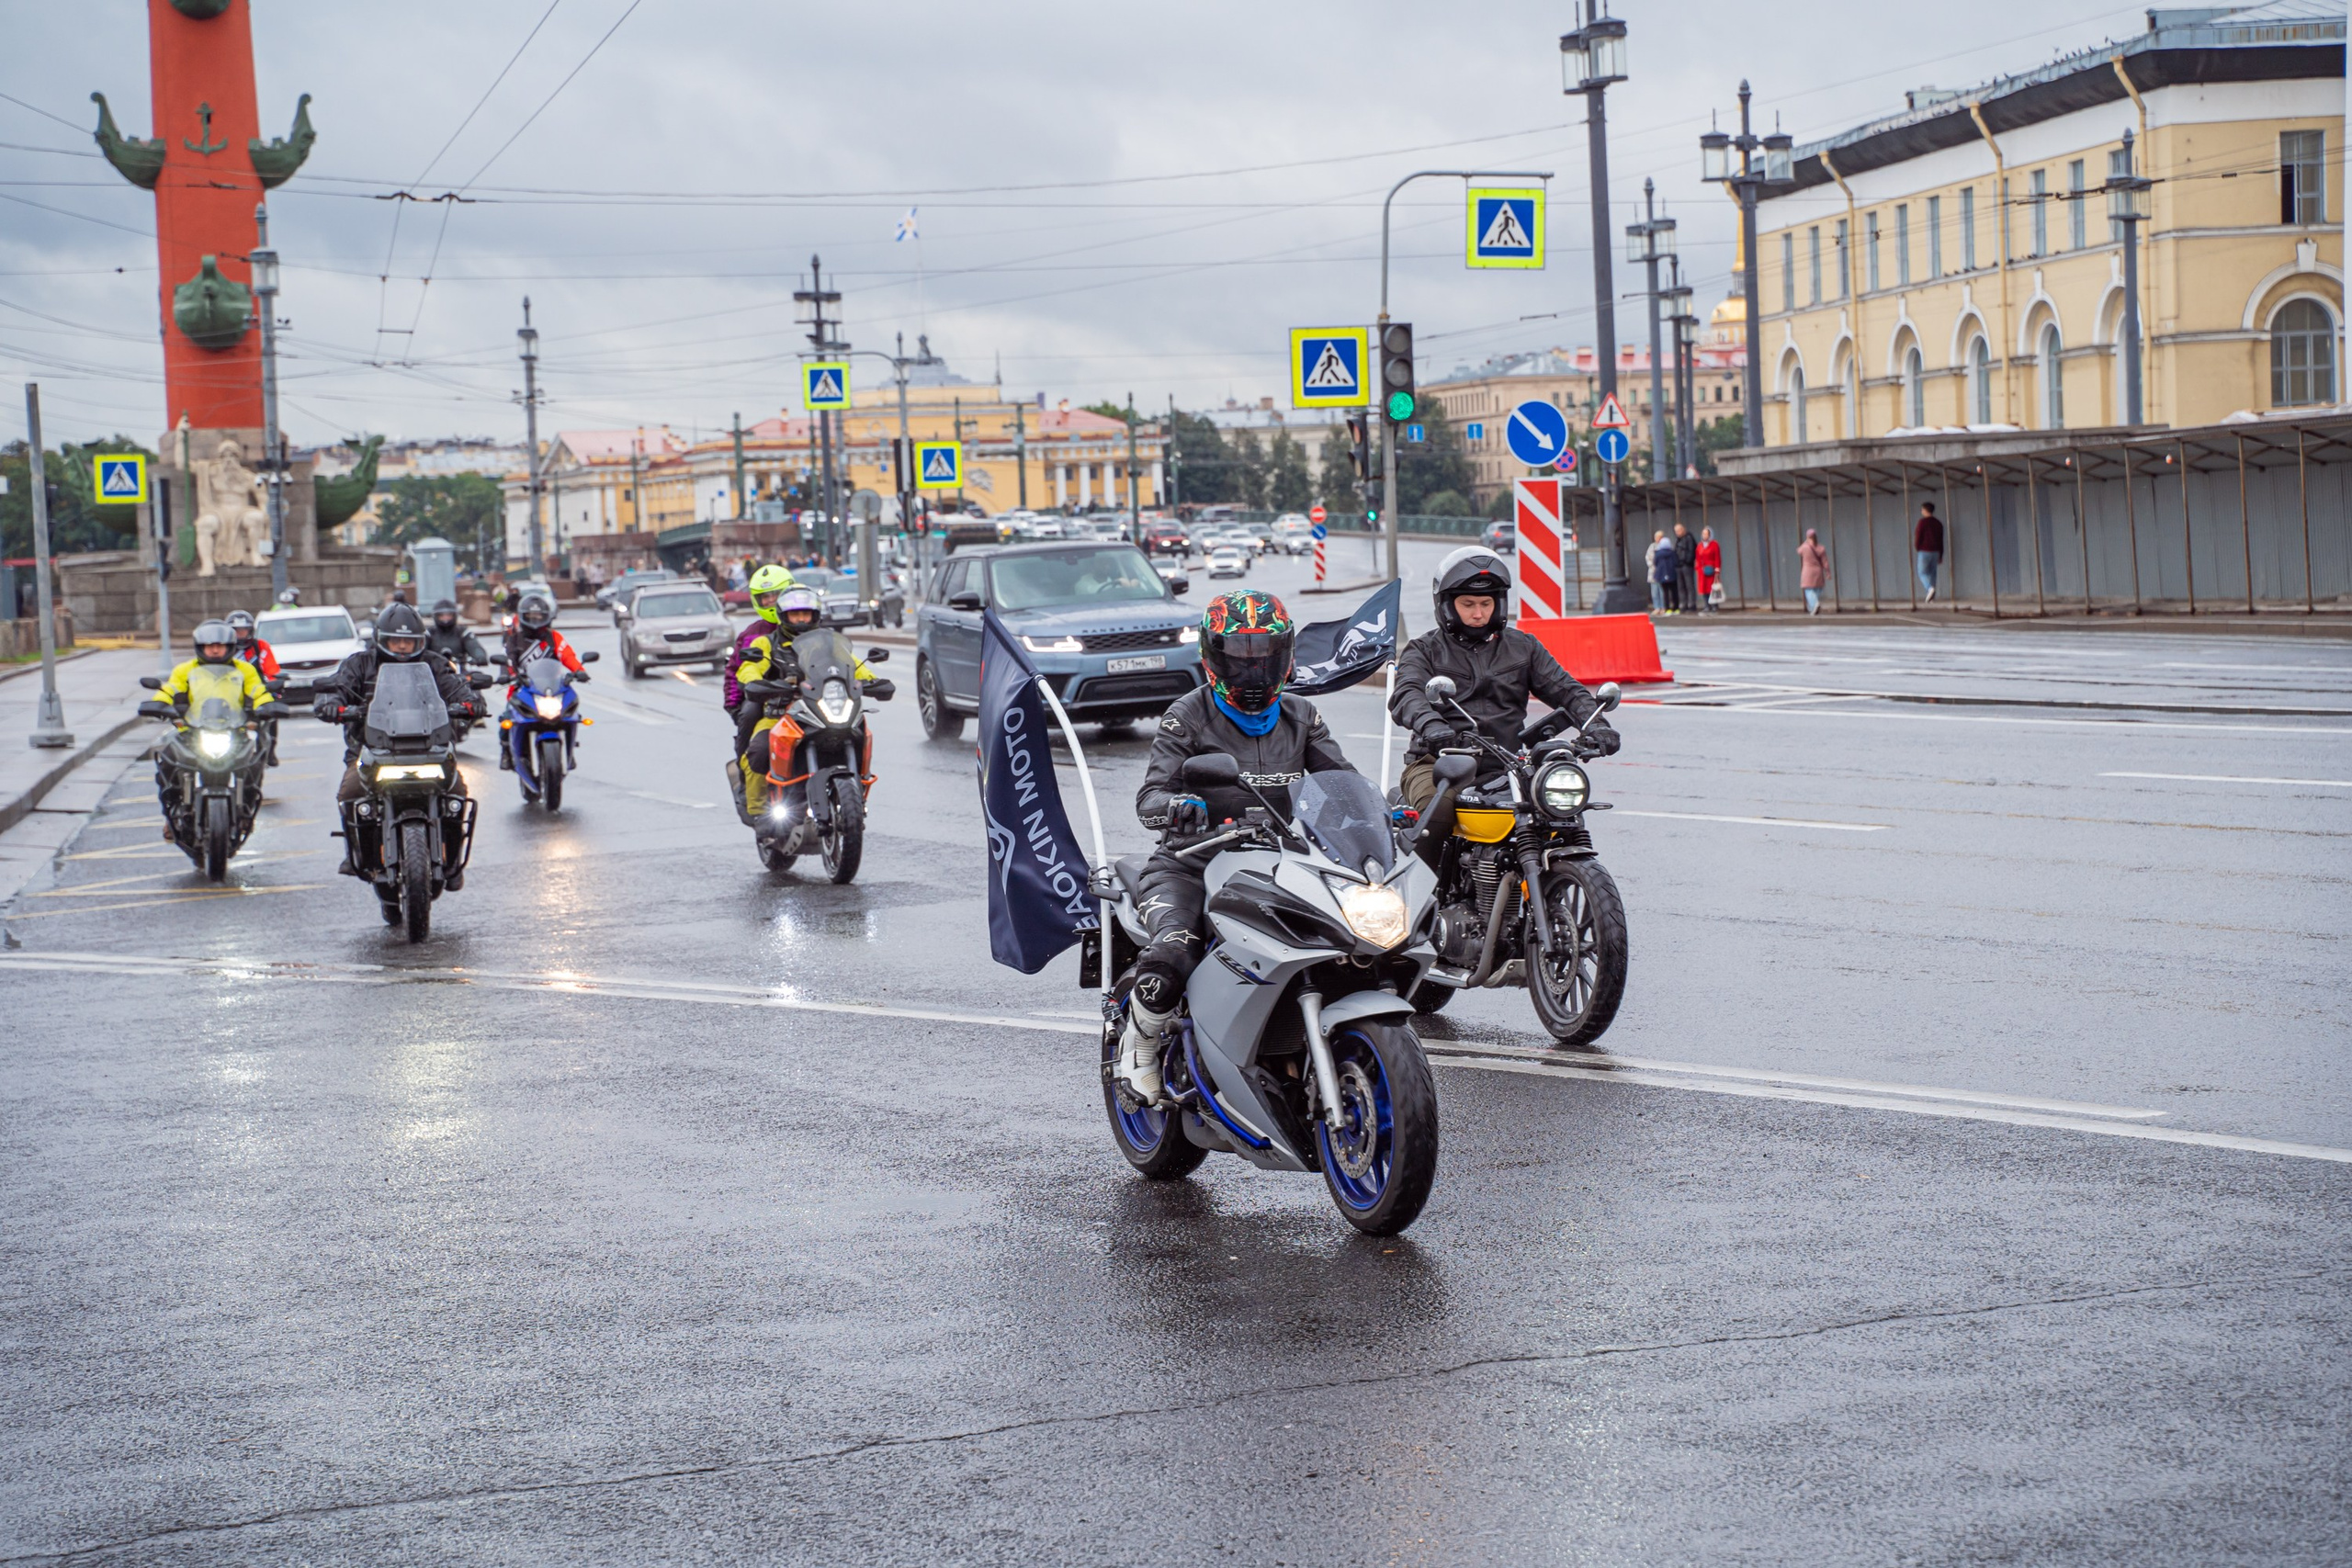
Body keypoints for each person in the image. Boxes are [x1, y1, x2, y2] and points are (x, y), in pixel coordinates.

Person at [1119, 589, 1358, 1100]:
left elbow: (1341, 783)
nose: (1253, 668)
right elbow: (1149, 799)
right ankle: (1138, 1046)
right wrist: (1178, 807)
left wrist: (1383, 813)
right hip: (1192, 864)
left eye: (1265, 653)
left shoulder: (1301, 716)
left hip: (1283, 864)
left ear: (1286, 655)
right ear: (1213, 656)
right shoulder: (1188, 714)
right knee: (1174, 954)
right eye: (1240, 654)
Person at [1388, 547, 1617, 819]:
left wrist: (1596, 724)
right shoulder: (1424, 650)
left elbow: (1565, 689)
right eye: (1468, 604)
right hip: (1439, 762)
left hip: (1508, 763)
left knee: (1557, 810)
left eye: (1486, 604)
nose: (1478, 614)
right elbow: (1406, 693)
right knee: (1436, 813)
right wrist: (1432, 725)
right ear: (1447, 606)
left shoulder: (1523, 647)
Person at [311, 603, 483, 877]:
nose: (402, 646)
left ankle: (451, 858)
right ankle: (355, 852)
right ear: (382, 639)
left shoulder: (435, 663)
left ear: (420, 641)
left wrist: (471, 702)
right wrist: (332, 704)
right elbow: (338, 687)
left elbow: (457, 686)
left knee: (457, 792)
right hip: (370, 749)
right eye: (396, 640)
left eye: (409, 641)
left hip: (430, 747)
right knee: (351, 792)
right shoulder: (360, 663)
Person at [733, 583, 877, 818]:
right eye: (795, 614)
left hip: (824, 709)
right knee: (758, 751)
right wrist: (756, 682)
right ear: (783, 616)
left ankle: (854, 795)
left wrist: (873, 681)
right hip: (780, 715)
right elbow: (749, 668)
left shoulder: (830, 644)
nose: (800, 620)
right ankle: (760, 814)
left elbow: (854, 665)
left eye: (805, 614)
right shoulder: (766, 643)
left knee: (859, 732)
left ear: (815, 615)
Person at [153, 618, 273, 837]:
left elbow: (258, 691)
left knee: (255, 762)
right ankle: (171, 815)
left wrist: (267, 706)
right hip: (192, 732)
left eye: (221, 646)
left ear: (230, 647)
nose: (216, 650)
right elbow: (169, 689)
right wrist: (158, 703)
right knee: (167, 762)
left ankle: (245, 812)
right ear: (201, 647)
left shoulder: (244, 669)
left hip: (234, 732)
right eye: (210, 645)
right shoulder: (185, 670)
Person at [724, 565, 797, 808]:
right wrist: (735, 704)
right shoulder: (753, 634)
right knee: (749, 713)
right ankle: (746, 774)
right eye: (766, 597)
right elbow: (735, 671)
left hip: (808, 697)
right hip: (765, 699)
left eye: (778, 594)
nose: (772, 601)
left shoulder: (809, 622)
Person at [498, 593, 586, 769]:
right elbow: (507, 661)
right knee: (506, 719)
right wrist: (507, 676)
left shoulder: (554, 637)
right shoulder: (514, 640)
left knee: (573, 714)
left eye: (539, 616)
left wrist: (579, 671)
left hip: (553, 689)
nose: (536, 619)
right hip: (523, 688)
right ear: (523, 617)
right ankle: (506, 751)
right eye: (531, 616)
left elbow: (567, 655)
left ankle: (570, 752)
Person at [424, 598, 488, 666]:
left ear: (454, 616)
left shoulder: (463, 632)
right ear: (436, 617)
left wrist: (480, 657)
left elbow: (474, 646)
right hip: (433, 672)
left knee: (476, 675)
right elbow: (420, 649)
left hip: (459, 671)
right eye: (442, 616)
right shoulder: (429, 633)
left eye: (449, 615)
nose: (445, 618)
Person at [223, 609, 279, 680]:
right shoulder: (223, 648)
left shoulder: (260, 646)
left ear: (250, 630)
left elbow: (271, 670)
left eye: (244, 629)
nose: (240, 632)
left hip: (256, 686)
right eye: (236, 629)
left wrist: (273, 683)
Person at [1914, 501, 1944, 603]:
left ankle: (1930, 589)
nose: (1921, 511)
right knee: (1932, 573)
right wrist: (1941, 554)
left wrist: (1917, 547)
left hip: (1925, 550)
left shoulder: (1922, 522)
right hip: (1936, 552)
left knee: (1922, 572)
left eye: (1922, 509)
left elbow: (1918, 536)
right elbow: (1941, 540)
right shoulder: (1938, 523)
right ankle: (1931, 598)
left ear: (1925, 510)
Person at [1799, 528, 1830, 615]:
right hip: (1818, 571)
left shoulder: (1805, 547)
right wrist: (1828, 572)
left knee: (1808, 590)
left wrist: (1805, 542)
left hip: (1808, 571)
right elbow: (1825, 562)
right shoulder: (1821, 548)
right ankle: (1813, 607)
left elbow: (1798, 551)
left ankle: (1814, 604)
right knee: (1817, 589)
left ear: (1808, 537)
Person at [1647, 530, 1677, 614]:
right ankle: (1657, 607)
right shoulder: (1652, 546)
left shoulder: (1667, 547)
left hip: (1663, 572)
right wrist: (1653, 566)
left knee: (1662, 591)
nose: (1658, 539)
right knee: (1654, 591)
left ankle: (1664, 606)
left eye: (1660, 537)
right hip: (1653, 571)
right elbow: (1648, 558)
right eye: (1656, 537)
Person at [1673, 523, 1699, 616]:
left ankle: (1691, 604)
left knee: (1689, 585)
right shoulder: (1678, 540)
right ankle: (1683, 604)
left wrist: (1687, 561)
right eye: (1676, 531)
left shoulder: (1689, 538)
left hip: (1686, 565)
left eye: (1679, 530)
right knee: (1680, 586)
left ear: (1683, 530)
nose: (1677, 533)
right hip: (1679, 565)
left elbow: (1692, 551)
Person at [1695, 526, 1723, 613]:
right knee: (1704, 588)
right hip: (1702, 571)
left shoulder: (1714, 544)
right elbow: (1698, 558)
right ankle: (1707, 605)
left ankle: (1714, 605)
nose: (1704, 536)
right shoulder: (1700, 546)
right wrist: (1698, 568)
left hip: (1711, 570)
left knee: (1712, 587)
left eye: (1706, 534)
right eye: (1703, 534)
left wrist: (1717, 569)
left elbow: (1717, 557)